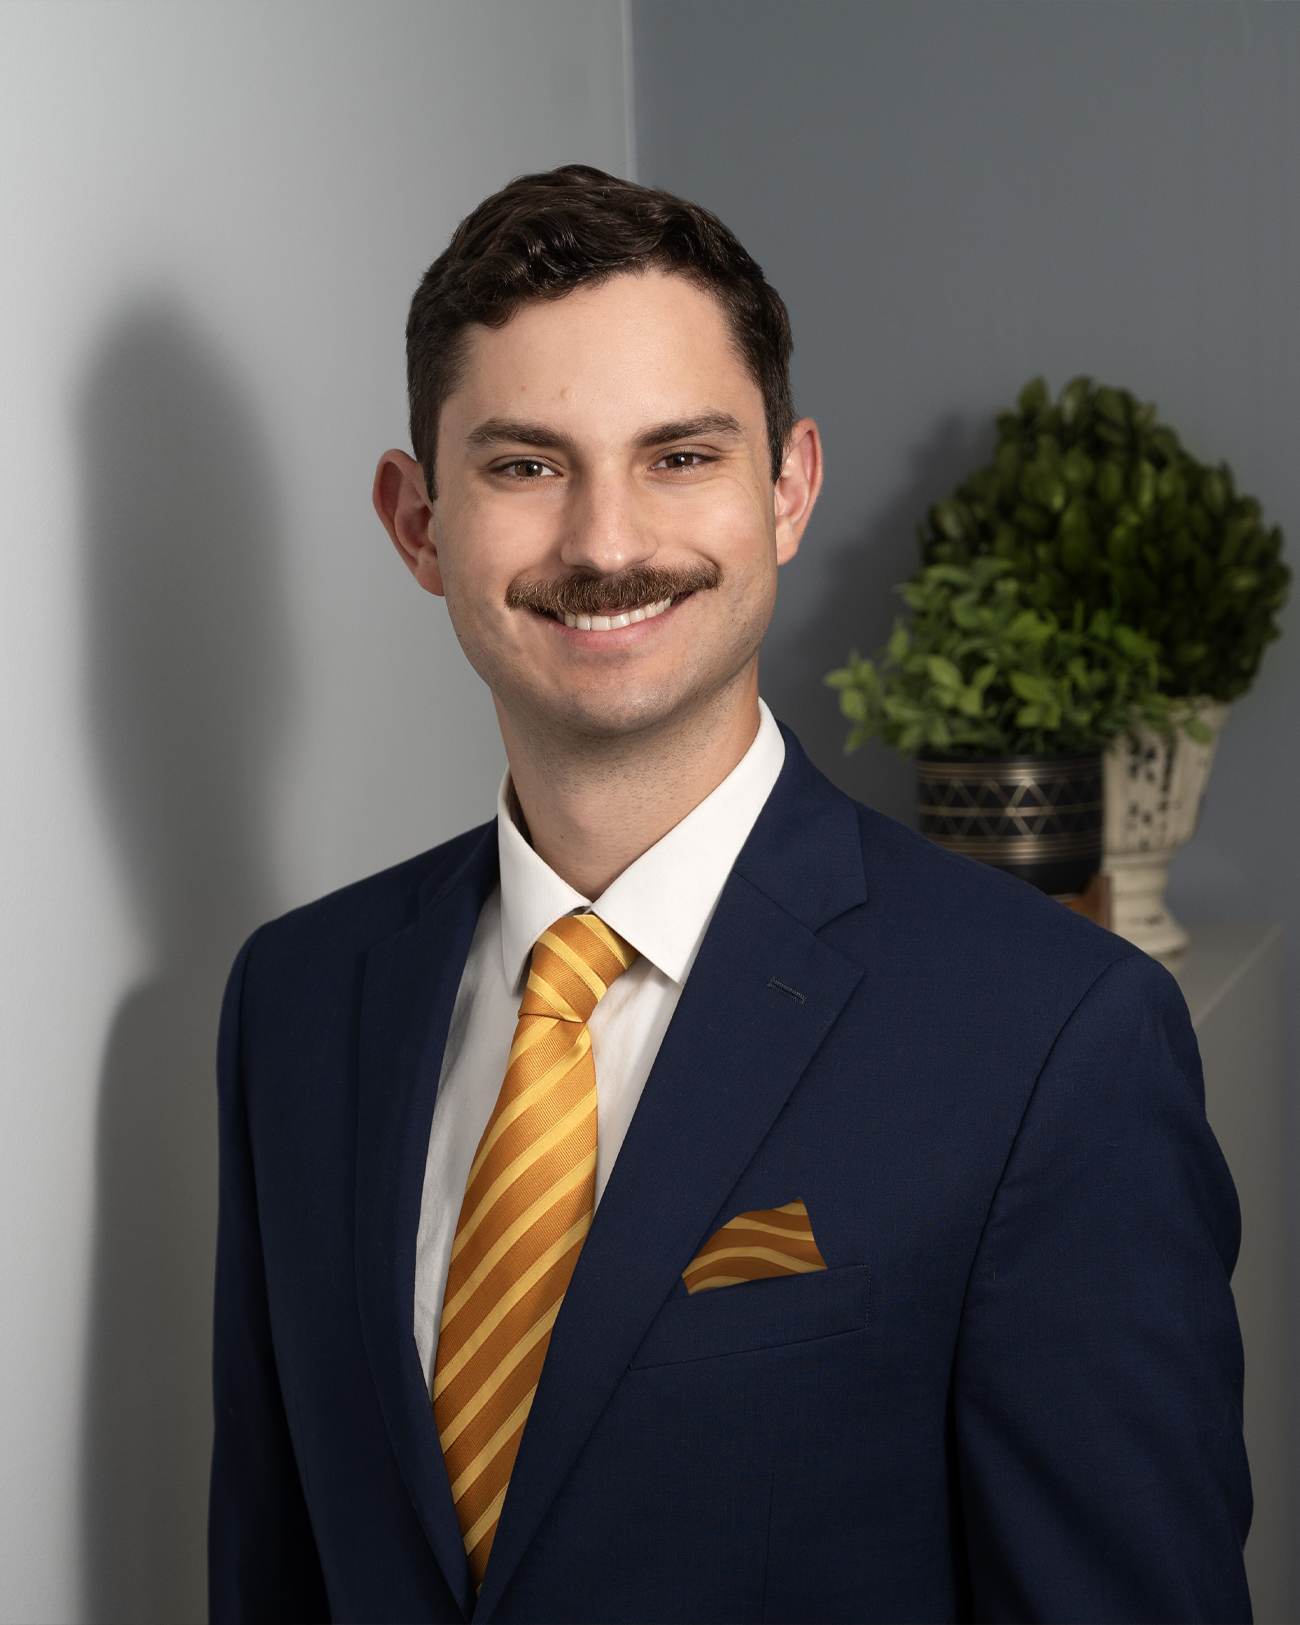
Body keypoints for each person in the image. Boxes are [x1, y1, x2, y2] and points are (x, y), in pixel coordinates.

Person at [208, 166, 1251, 1624]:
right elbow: (274, 1567)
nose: (607, 542)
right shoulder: (298, 1003)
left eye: (681, 456)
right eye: (524, 465)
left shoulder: (1054, 1038)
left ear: (788, 491)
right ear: (418, 523)